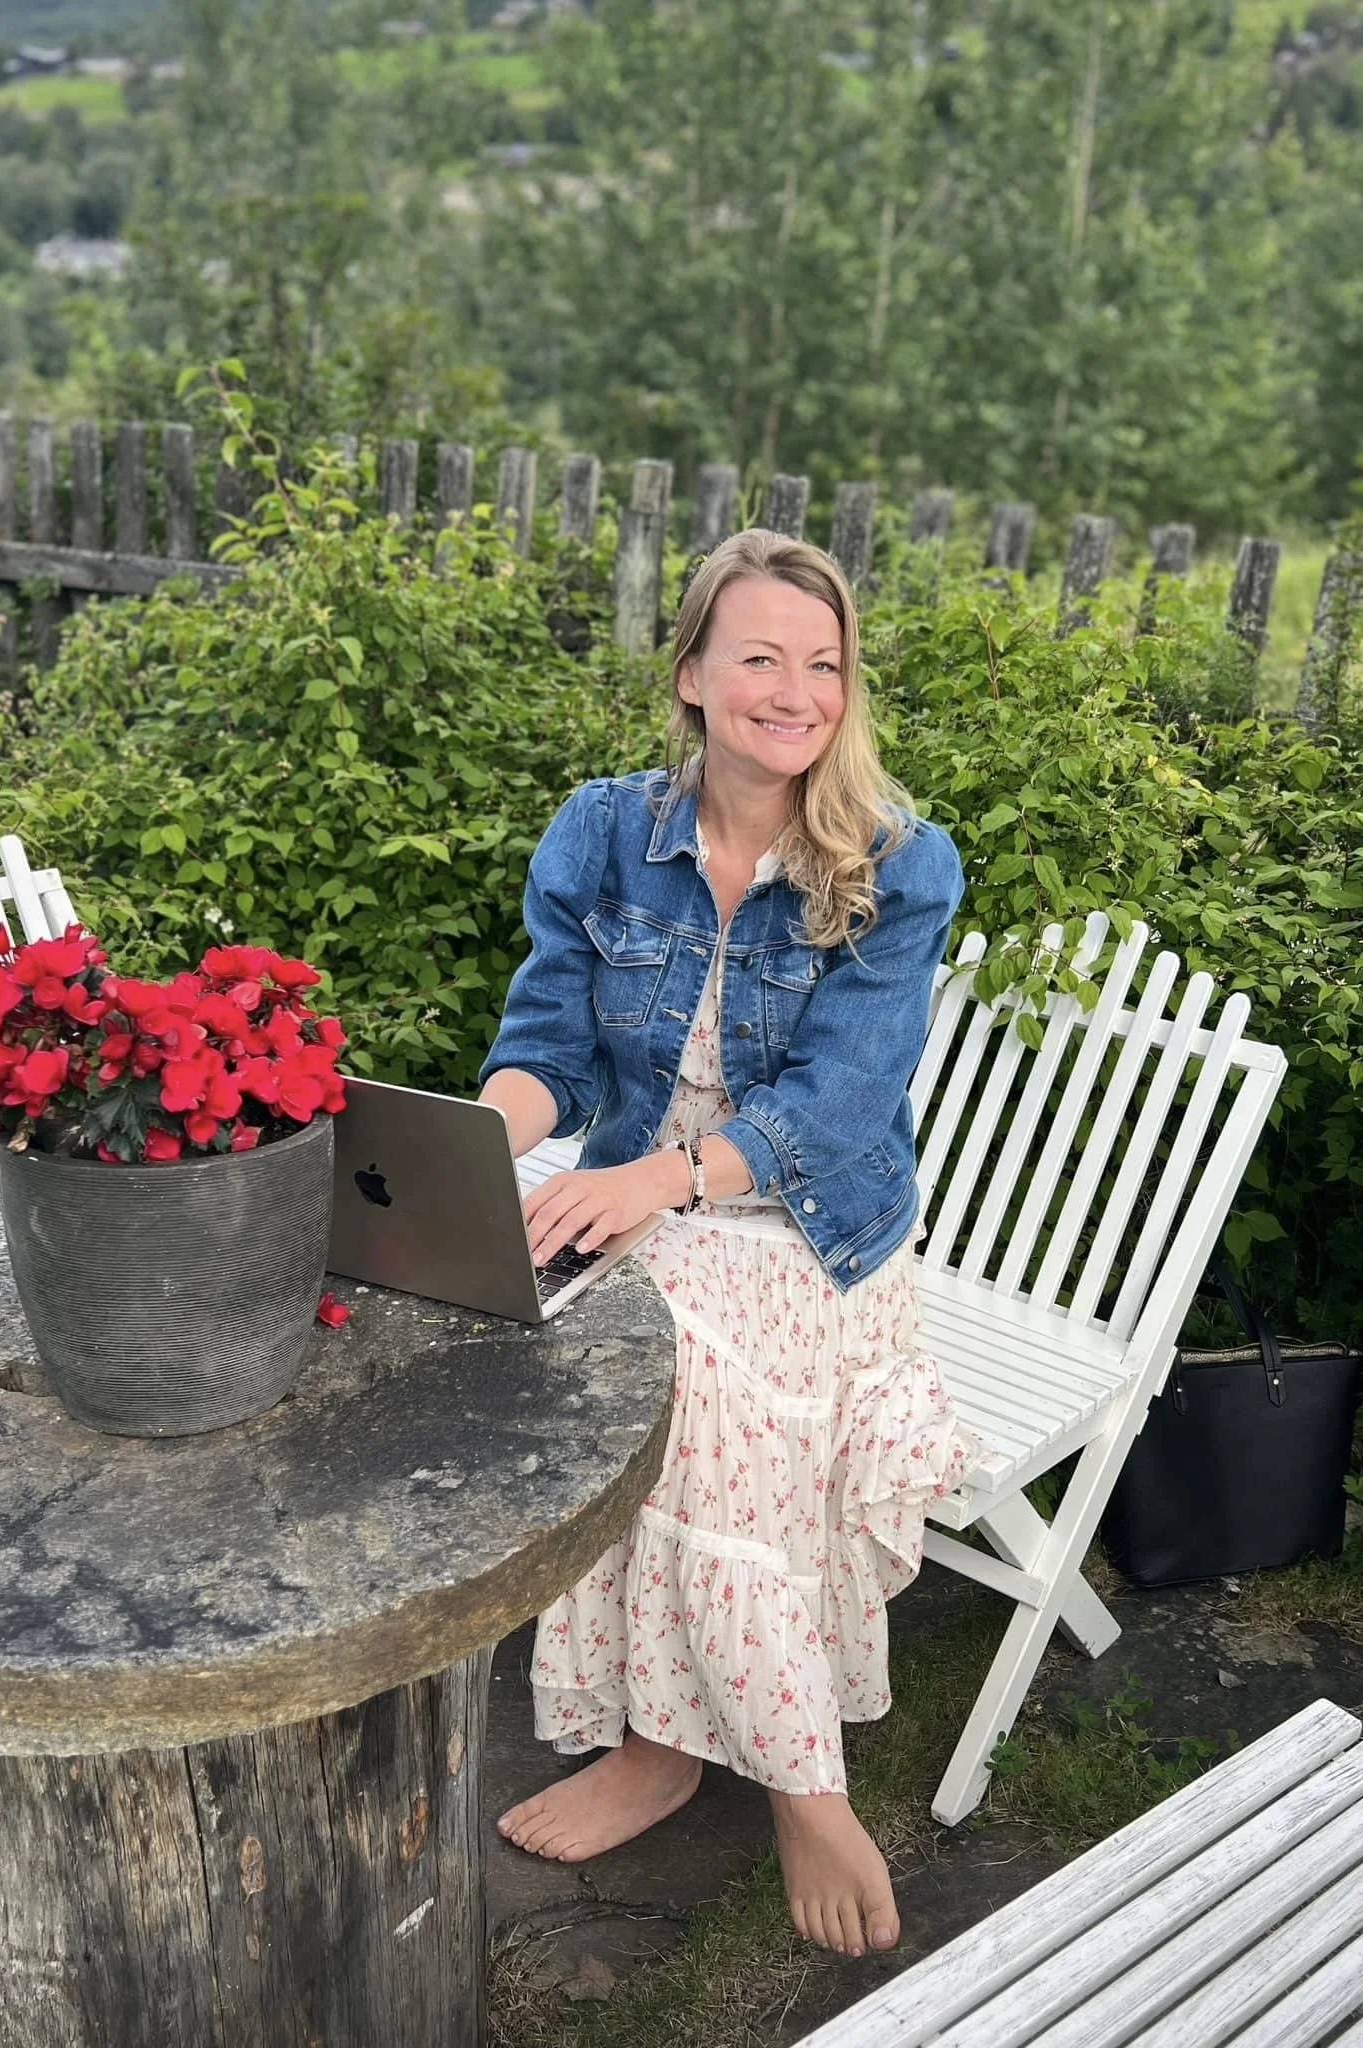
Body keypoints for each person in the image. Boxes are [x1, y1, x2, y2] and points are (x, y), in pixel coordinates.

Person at [478, 527, 976, 1960]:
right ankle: (672, 1741)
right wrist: (482, 1147)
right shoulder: (603, 830)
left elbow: (838, 1103)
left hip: (808, 1226)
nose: (797, 692)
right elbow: (549, 1046)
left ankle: (781, 1780)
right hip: (645, 1190)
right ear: (692, 674)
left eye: (824, 663)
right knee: (549, 1327)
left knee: (684, 1385)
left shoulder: (897, 862)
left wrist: (663, 1182)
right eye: (761, 657)